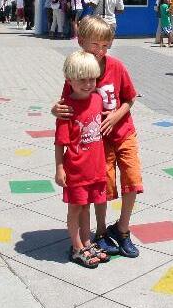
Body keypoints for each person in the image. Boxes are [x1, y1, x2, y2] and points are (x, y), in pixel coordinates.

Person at [52, 17, 144, 259]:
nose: (101, 51)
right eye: (95, 45)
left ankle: (122, 229)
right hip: (97, 141)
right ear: (81, 42)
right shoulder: (78, 72)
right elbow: (67, 105)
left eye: (106, 45)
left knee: (133, 178)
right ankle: (101, 232)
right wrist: (55, 110)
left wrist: (115, 116)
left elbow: (130, 98)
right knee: (104, 185)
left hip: (124, 132)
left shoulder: (117, 67)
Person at [54, 50, 110, 269]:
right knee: (76, 209)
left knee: (87, 207)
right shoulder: (66, 108)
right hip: (76, 170)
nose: (88, 84)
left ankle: (87, 242)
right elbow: (60, 142)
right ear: (70, 81)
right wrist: (60, 168)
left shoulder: (97, 99)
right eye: (82, 80)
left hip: (95, 168)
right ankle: (77, 247)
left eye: (92, 79)